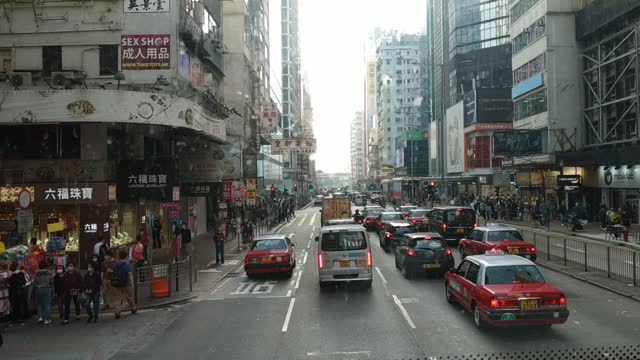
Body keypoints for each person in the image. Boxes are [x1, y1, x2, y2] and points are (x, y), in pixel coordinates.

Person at [112, 250, 137, 319]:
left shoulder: (115, 264)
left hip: (116, 283)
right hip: (125, 283)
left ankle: (117, 312)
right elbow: (130, 274)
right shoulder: (126, 265)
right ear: (125, 257)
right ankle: (133, 308)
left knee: (117, 298)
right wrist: (132, 284)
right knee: (129, 296)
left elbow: (113, 273)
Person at [32, 260, 52, 325]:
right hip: (47, 289)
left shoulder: (36, 274)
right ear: (46, 266)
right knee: (47, 304)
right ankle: (46, 319)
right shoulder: (49, 273)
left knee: (39, 304)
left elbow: (33, 283)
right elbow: (51, 283)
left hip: (38, 289)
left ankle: (40, 317)